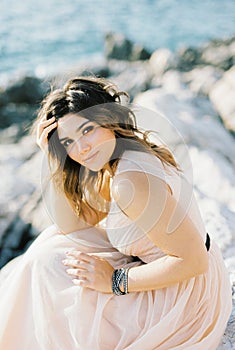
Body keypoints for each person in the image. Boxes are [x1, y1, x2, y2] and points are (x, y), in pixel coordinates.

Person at [0, 76, 232, 350]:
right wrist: (53, 158)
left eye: (87, 130)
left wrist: (112, 280)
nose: (81, 148)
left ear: (109, 119)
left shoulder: (130, 181)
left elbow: (194, 261)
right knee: (49, 248)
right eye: (67, 142)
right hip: (168, 277)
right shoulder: (116, 159)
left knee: (48, 273)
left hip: (184, 299)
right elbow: (74, 225)